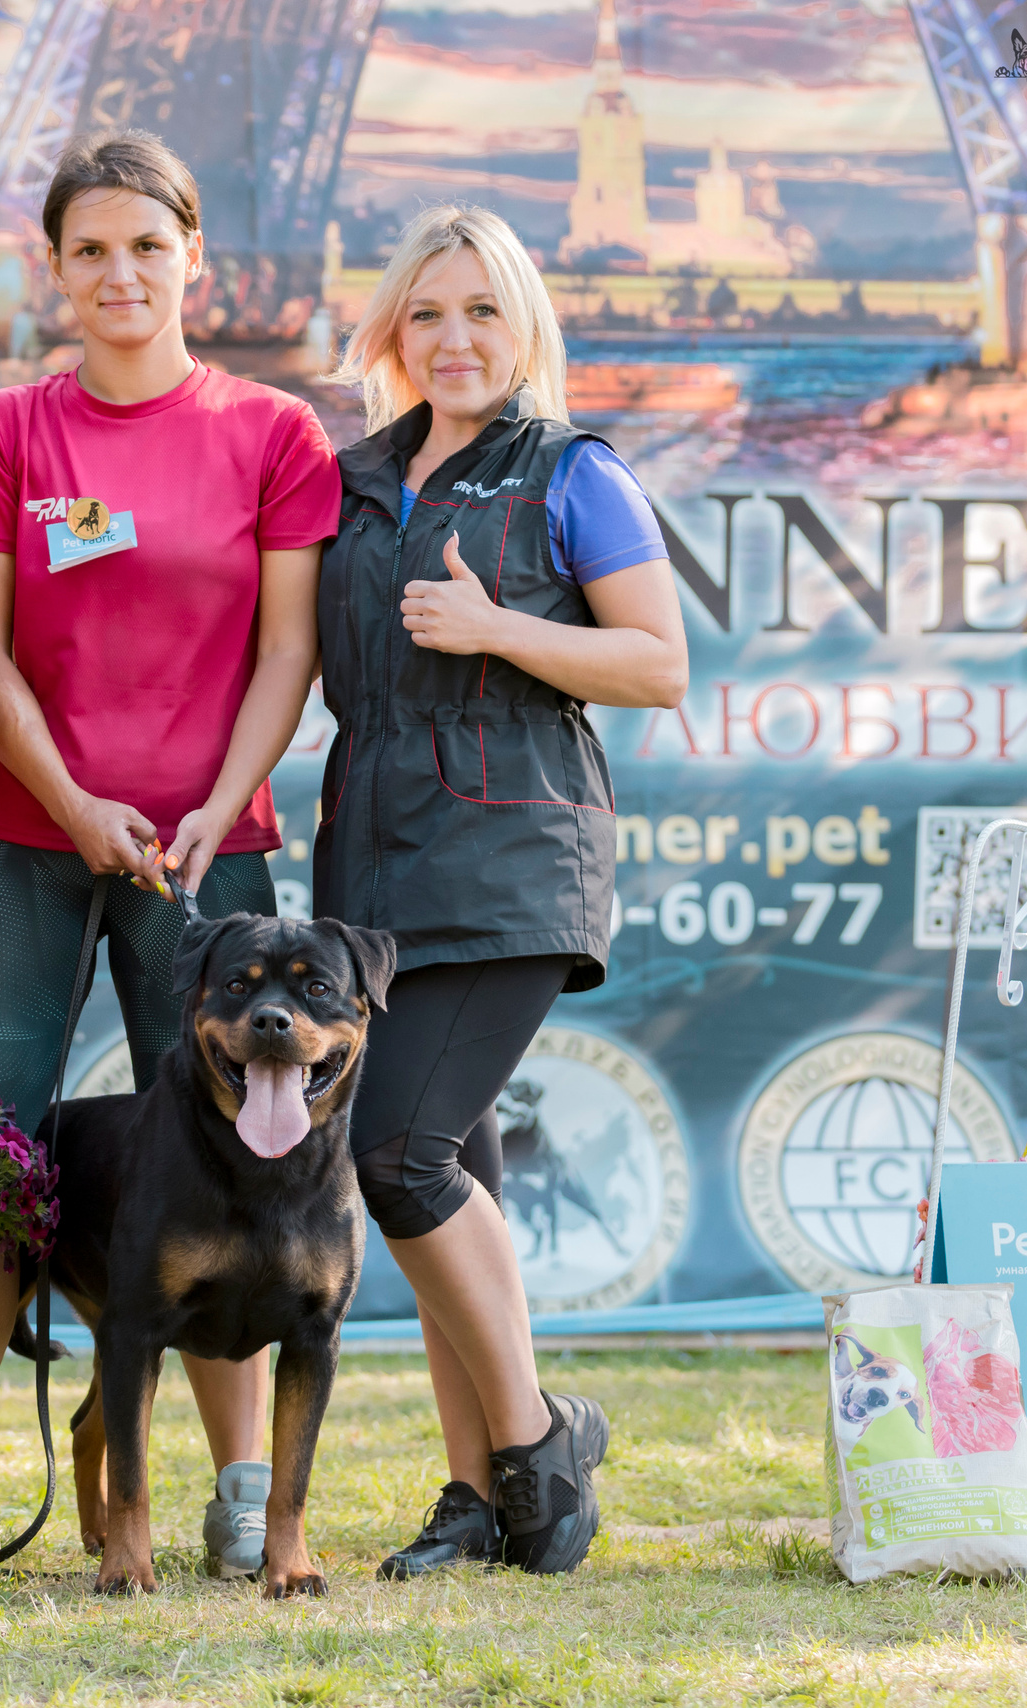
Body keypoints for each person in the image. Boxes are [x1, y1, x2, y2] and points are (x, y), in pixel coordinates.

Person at [0, 130, 340, 1580]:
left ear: (194, 258)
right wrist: (66, 801)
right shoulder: (7, 433)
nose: (120, 273)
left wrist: (219, 808)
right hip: (24, 841)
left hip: (206, 859)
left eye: (146, 246)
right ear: (55, 269)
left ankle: (240, 1496)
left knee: (239, 1157)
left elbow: (290, 651)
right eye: (90, 250)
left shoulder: (275, 432)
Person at [318, 204, 687, 1577]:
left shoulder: (575, 471)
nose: (453, 338)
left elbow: (657, 663)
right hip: (371, 862)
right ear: (390, 334)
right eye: (426, 313)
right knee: (447, 1171)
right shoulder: (354, 482)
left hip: (512, 853)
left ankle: (537, 1440)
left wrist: (494, 628)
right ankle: (474, 1497)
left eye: (481, 310)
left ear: (523, 323)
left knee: (396, 1155)